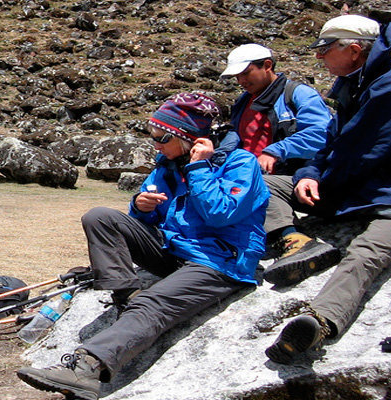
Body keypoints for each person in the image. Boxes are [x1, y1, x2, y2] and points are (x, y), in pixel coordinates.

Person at [16, 93, 268, 400]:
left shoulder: (241, 163)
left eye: (162, 138)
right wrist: (141, 206)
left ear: (189, 138)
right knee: (101, 217)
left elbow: (220, 213)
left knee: (152, 304)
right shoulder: (168, 167)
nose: (156, 145)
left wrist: (200, 168)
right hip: (175, 249)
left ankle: (86, 370)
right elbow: (144, 216)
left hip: (218, 261)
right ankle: (126, 296)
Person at [264, 15, 391, 364]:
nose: (319, 57)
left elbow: (363, 153)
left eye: (324, 49)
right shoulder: (357, 83)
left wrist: (321, 182)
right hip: (358, 189)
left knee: (365, 253)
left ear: (353, 50)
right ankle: (295, 242)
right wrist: (308, 173)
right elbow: (331, 143)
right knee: (262, 183)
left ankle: (317, 321)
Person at [218, 44, 340, 276]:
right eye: (237, 76)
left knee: (254, 185)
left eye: (246, 73)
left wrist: (277, 150)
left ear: (267, 66)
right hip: (258, 175)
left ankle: (292, 238)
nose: (241, 81)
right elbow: (237, 139)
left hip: (303, 176)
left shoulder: (297, 94)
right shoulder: (243, 103)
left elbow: (322, 134)